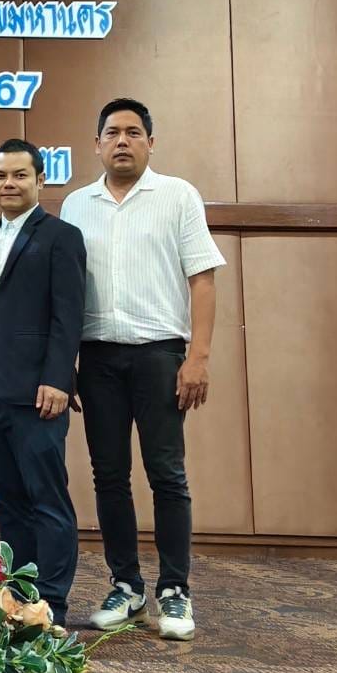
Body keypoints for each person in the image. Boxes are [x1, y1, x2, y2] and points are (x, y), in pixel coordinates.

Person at [60, 98, 225, 642]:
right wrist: (64, 364)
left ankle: (174, 589)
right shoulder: (76, 204)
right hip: (97, 359)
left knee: (167, 475)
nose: (122, 141)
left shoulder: (177, 195)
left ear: (150, 143)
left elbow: (203, 279)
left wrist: (197, 358)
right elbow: (63, 293)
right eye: (112, 133)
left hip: (160, 356)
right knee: (108, 476)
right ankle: (126, 586)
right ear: (97, 144)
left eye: (134, 132)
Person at [0, 138, 86, 628]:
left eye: (19, 175)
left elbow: (68, 316)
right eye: (0, 176)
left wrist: (58, 378)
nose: (8, 184)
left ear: (40, 181)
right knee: (7, 499)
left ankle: (52, 603)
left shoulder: (61, 237)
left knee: (47, 500)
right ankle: (18, 593)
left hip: (39, 393)